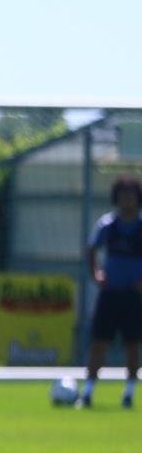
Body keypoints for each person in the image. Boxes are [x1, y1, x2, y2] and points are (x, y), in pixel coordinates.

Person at [79, 175, 142, 409]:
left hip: (133, 296)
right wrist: (96, 274)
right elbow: (91, 249)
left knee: (132, 345)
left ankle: (129, 394)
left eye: (131, 195)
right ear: (116, 198)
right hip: (110, 294)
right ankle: (87, 393)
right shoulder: (107, 225)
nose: (127, 199)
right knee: (98, 343)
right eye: (122, 195)